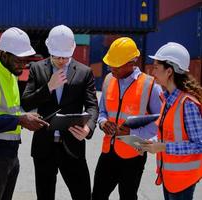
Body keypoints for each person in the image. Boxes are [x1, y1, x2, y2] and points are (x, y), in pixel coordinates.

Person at [21, 24, 99, 200]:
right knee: (45, 196)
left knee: (83, 195)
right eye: (58, 57)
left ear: (72, 50)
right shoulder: (37, 69)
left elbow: (92, 106)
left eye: (66, 57)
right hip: (44, 148)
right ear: (49, 49)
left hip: (73, 146)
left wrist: (88, 129)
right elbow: (26, 103)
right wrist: (48, 87)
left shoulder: (84, 72)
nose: (62, 61)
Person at [0, 27, 48, 200]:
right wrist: (19, 120)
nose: (23, 65)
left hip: (11, 154)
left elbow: (11, 110)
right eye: (18, 60)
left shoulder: (11, 75)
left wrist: (27, 118)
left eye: (25, 60)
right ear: (3, 54)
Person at [92, 37, 163, 200]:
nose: (110, 68)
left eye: (115, 64)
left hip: (134, 153)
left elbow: (159, 123)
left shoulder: (150, 86)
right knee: (97, 195)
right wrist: (103, 123)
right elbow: (102, 111)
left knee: (128, 196)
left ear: (131, 63)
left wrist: (133, 132)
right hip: (108, 151)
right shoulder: (109, 80)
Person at [141, 42, 202, 200]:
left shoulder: (187, 104)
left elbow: (199, 145)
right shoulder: (168, 100)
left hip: (183, 180)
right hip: (170, 177)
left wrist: (162, 147)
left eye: (156, 67)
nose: (151, 71)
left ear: (169, 71)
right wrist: (150, 142)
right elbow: (168, 134)